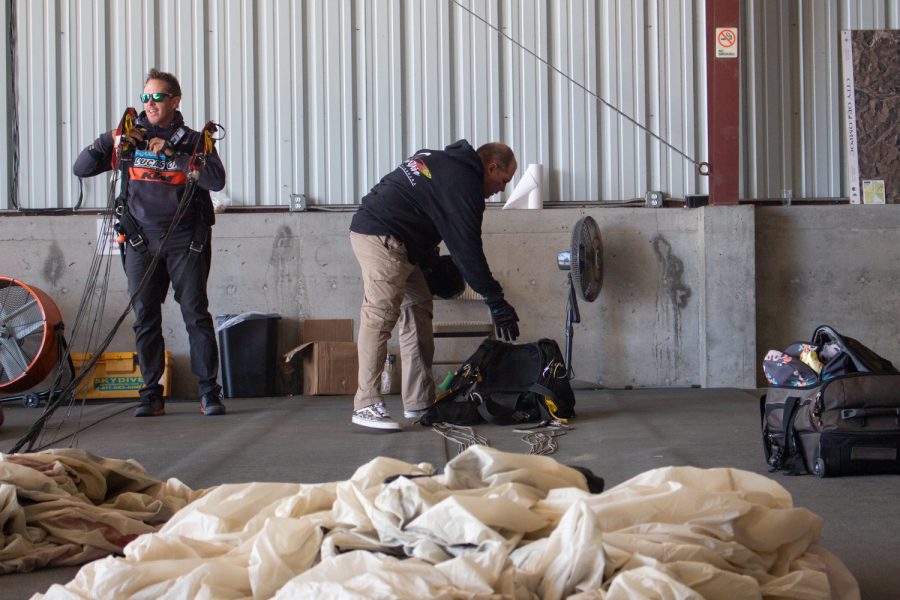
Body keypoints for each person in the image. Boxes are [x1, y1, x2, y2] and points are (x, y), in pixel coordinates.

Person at [73, 68, 227, 417]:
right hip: (140, 241)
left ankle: (208, 393)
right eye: (146, 97)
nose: (150, 103)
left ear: (175, 100)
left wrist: (173, 155)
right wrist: (106, 142)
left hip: (185, 241)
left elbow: (216, 181)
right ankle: (151, 395)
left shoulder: (193, 140)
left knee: (195, 315)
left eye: (158, 97)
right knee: (145, 317)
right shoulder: (129, 138)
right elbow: (81, 168)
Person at [349, 139, 521, 430]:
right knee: (380, 315)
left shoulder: (442, 160)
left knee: (418, 309)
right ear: (491, 167)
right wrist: (495, 299)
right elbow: (468, 250)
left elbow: (422, 204)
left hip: (405, 244)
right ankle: (365, 403)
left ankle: (419, 402)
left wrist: (429, 261)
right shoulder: (463, 183)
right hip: (381, 235)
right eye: (503, 180)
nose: (502, 189)